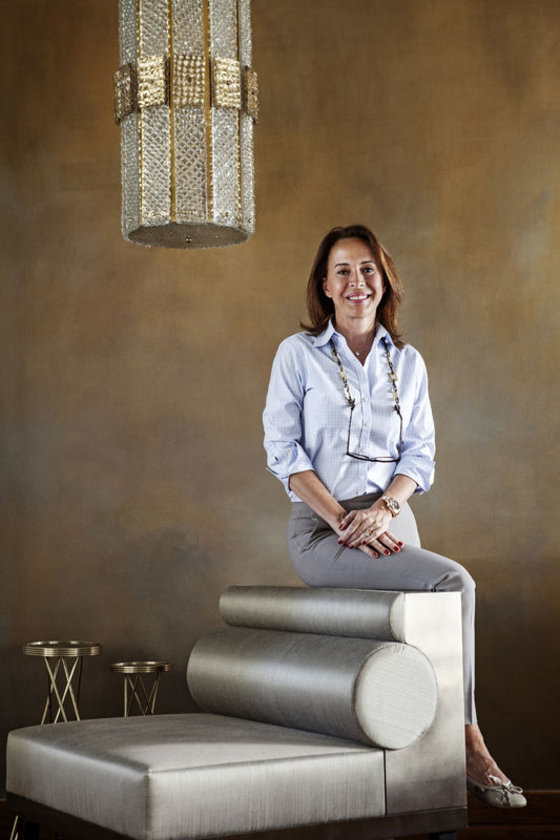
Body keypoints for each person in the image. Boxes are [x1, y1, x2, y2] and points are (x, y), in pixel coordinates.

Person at [263, 224, 526, 809]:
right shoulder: (297, 354)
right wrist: (343, 519)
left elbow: (420, 456)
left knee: (423, 634)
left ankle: (424, 790)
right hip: (322, 529)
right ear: (324, 286)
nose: (356, 281)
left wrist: (384, 509)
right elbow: (283, 453)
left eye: (368, 270)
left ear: (383, 282)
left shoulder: (407, 363)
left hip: (390, 520)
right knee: (455, 582)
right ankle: (470, 742)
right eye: (342, 271)